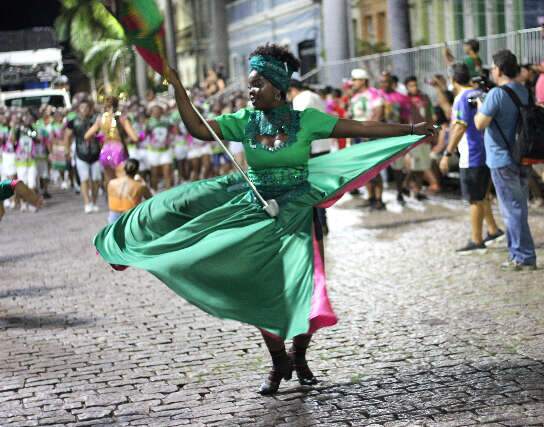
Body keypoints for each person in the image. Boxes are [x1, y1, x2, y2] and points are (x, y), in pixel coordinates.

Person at [94, 43, 435, 396]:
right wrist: (179, 88)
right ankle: (278, 363)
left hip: (299, 213)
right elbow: (197, 127)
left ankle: (299, 357)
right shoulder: (244, 121)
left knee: (303, 289)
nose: (250, 91)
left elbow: (362, 126)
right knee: (260, 290)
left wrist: (411, 129)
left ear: (279, 88)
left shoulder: (308, 121)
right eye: (249, 86)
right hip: (255, 212)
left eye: (257, 85)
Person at [474, 49, 537, 271]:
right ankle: (516, 253)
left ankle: (523, 256)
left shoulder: (496, 95)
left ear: (499, 70)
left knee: (512, 210)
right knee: (518, 207)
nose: (491, 71)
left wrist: (480, 106)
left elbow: (480, 123)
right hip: (522, 155)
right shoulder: (524, 90)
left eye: (493, 67)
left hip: (502, 158)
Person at [440, 64, 503, 254]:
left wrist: (447, 153)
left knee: (474, 199)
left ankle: (476, 239)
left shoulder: (461, 98)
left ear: (452, 80)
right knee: (482, 194)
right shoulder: (478, 93)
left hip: (471, 154)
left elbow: (459, 127)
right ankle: (493, 230)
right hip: (486, 150)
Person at [288, 79, 334, 235]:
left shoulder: (301, 99)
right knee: (319, 188)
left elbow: (301, 125)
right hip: (323, 146)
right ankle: (321, 223)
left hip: (312, 149)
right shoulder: (314, 96)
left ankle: (319, 224)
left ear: (292, 90)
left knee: (312, 189)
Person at [348, 68, 384, 208]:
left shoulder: (373, 93)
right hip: (357, 135)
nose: (353, 83)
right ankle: (370, 197)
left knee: (374, 167)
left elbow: (378, 113)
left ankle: (379, 198)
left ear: (363, 80)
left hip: (370, 136)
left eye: (355, 80)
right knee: (363, 168)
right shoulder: (354, 97)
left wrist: (369, 132)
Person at [378, 71, 414, 206]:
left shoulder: (401, 98)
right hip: (378, 135)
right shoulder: (376, 96)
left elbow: (406, 117)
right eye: (381, 81)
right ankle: (377, 198)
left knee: (398, 167)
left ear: (392, 83)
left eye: (386, 81)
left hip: (396, 136)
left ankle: (399, 192)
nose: (383, 84)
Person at [85, 96, 138, 186]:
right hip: (119, 151)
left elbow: (86, 136)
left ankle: (111, 200)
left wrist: (99, 138)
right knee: (122, 180)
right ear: (117, 105)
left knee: (110, 182)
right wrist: (127, 139)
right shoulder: (122, 118)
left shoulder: (100, 120)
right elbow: (135, 138)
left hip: (105, 151)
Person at [66, 100, 101, 214]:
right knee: (84, 179)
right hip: (81, 154)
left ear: (90, 109)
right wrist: (67, 151)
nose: (84, 110)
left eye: (87, 107)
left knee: (96, 180)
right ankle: (87, 203)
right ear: (78, 109)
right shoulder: (73, 121)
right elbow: (67, 136)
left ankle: (94, 203)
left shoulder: (96, 120)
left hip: (96, 153)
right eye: (82, 108)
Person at [107, 158, 152, 224]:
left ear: (124, 169)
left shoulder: (111, 183)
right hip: (130, 217)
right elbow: (150, 199)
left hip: (113, 216)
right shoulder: (140, 186)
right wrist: (143, 182)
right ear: (137, 171)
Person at [145, 102, 174, 190]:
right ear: (151, 112)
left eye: (158, 111)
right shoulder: (148, 122)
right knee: (154, 174)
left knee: (167, 173)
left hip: (165, 150)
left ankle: (168, 194)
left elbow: (173, 131)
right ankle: (154, 192)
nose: (157, 112)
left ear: (161, 112)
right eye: (155, 111)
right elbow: (144, 134)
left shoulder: (167, 121)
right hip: (153, 151)